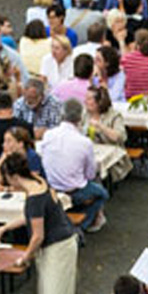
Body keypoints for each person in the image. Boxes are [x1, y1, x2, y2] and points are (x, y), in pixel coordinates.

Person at [0, 153, 79, 294]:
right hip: (63, 244)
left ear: (13, 176)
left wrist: (25, 257)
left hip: (57, 249)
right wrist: (5, 228)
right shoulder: (38, 182)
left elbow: (37, 235)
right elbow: (33, 217)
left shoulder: (34, 197)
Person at [39, 99, 109, 233]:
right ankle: (83, 224)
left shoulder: (48, 135)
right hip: (73, 190)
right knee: (102, 193)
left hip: (51, 187)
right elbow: (90, 174)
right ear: (81, 118)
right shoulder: (84, 142)